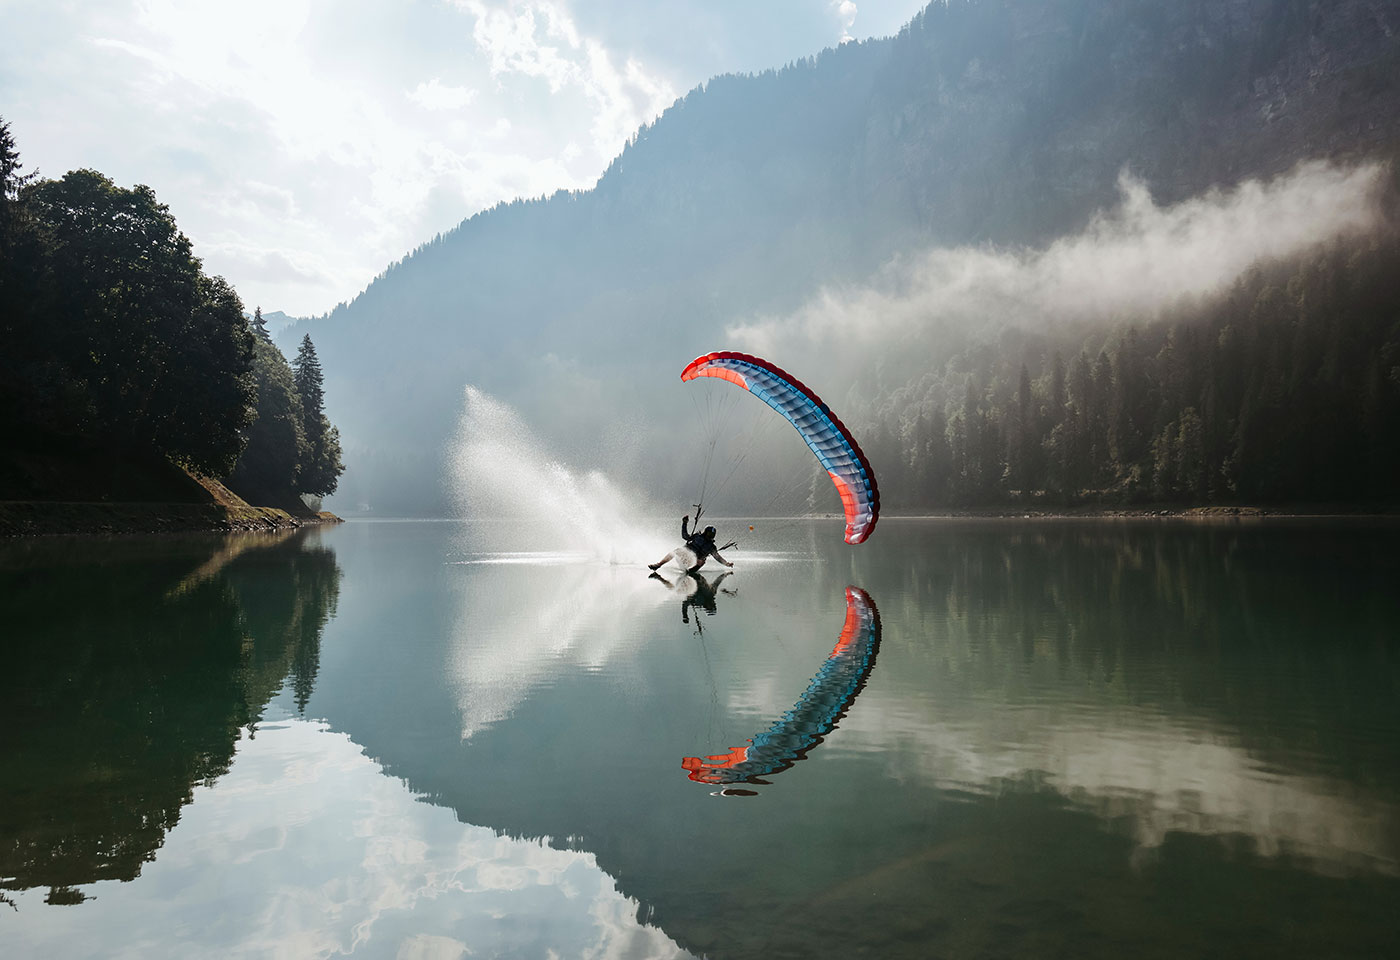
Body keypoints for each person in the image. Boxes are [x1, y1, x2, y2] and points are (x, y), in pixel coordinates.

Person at [649, 514, 734, 574]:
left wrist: (726, 563)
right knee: (676, 551)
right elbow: (685, 536)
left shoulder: (711, 547)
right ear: (705, 532)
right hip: (684, 556)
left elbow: (717, 557)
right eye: (709, 534)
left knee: (702, 561)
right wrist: (684, 523)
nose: (710, 537)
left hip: (694, 563)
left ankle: (690, 571)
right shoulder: (697, 536)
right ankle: (658, 565)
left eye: (712, 535)